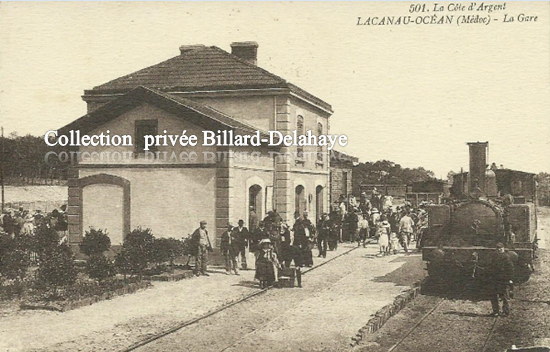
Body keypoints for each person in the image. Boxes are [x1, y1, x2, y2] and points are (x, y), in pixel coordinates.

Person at [490, 243, 514, 317]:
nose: (499, 249)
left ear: (503, 248)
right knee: (493, 295)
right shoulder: (494, 256)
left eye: (501, 248)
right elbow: (492, 267)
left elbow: (510, 269)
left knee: (505, 296)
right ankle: (496, 311)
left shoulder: (506, 257)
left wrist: (510, 278)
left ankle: (506, 312)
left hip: (504, 279)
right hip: (495, 278)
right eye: (498, 248)